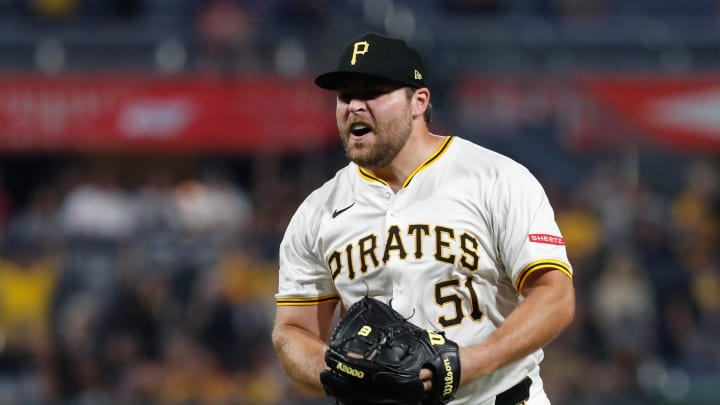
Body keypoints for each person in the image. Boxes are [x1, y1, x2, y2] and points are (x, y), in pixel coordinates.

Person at [272, 32, 575, 404]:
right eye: (345, 95)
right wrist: (332, 373)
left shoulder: (496, 178)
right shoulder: (316, 211)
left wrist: (474, 363)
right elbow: (292, 331)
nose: (355, 106)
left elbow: (555, 296)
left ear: (419, 101)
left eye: (373, 92)